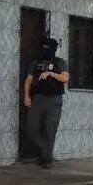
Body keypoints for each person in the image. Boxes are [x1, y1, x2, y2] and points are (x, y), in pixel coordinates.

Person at [22, 37, 70, 168]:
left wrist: (51, 74)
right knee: (31, 130)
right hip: (38, 98)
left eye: (49, 48)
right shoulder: (36, 62)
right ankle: (45, 151)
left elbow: (65, 78)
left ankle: (47, 159)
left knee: (50, 130)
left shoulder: (60, 62)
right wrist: (26, 96)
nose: (46, 50)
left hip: (54, 100)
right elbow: (28, 80)